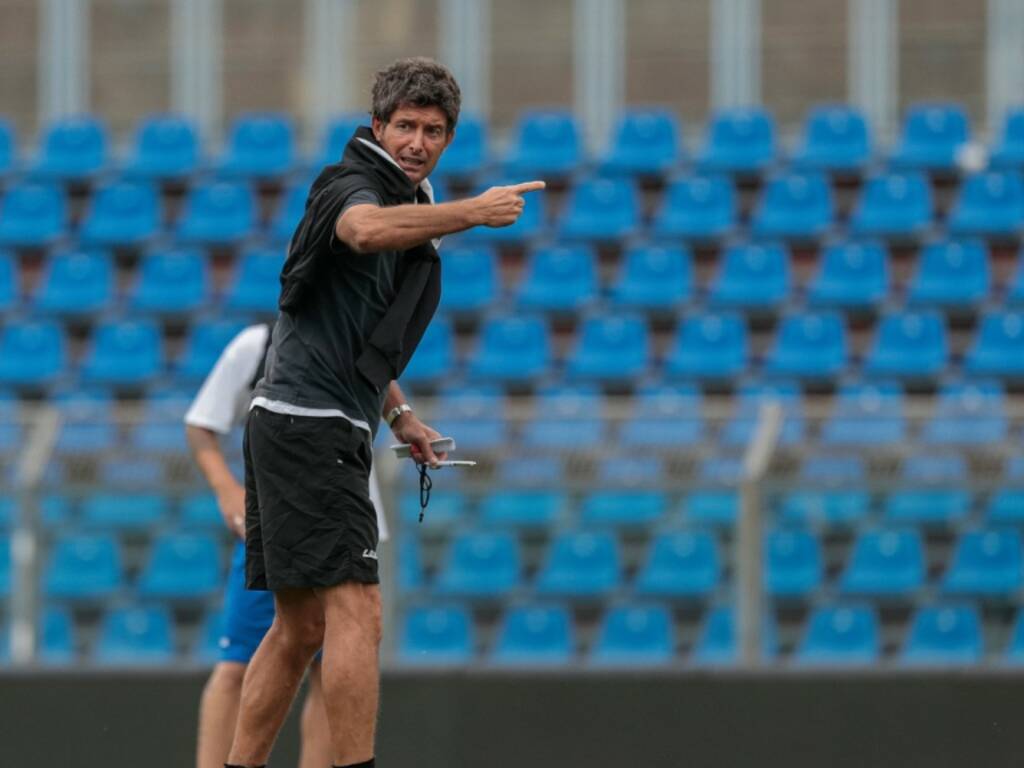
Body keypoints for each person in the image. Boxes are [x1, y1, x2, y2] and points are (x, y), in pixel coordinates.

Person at [226, 56, 543, 768]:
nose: (417, 141)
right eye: (405, 125)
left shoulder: (412, 198)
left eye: (433, 130)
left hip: (296, 418)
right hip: (311, 424)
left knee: (300, 626)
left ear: (448, 138)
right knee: (357, 613)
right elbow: (363, 231)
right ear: (377, 126)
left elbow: (350, 331)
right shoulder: (353, 184)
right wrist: (474, 212)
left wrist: (401, 415)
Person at [185, 322, 390, 768]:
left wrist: (404, 414)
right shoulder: (258, 342)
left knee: (327, 665)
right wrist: (226, 490)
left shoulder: (360, 334)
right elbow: (202, 421)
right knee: (240, 659)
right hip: (285, 515)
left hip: (348, 513)